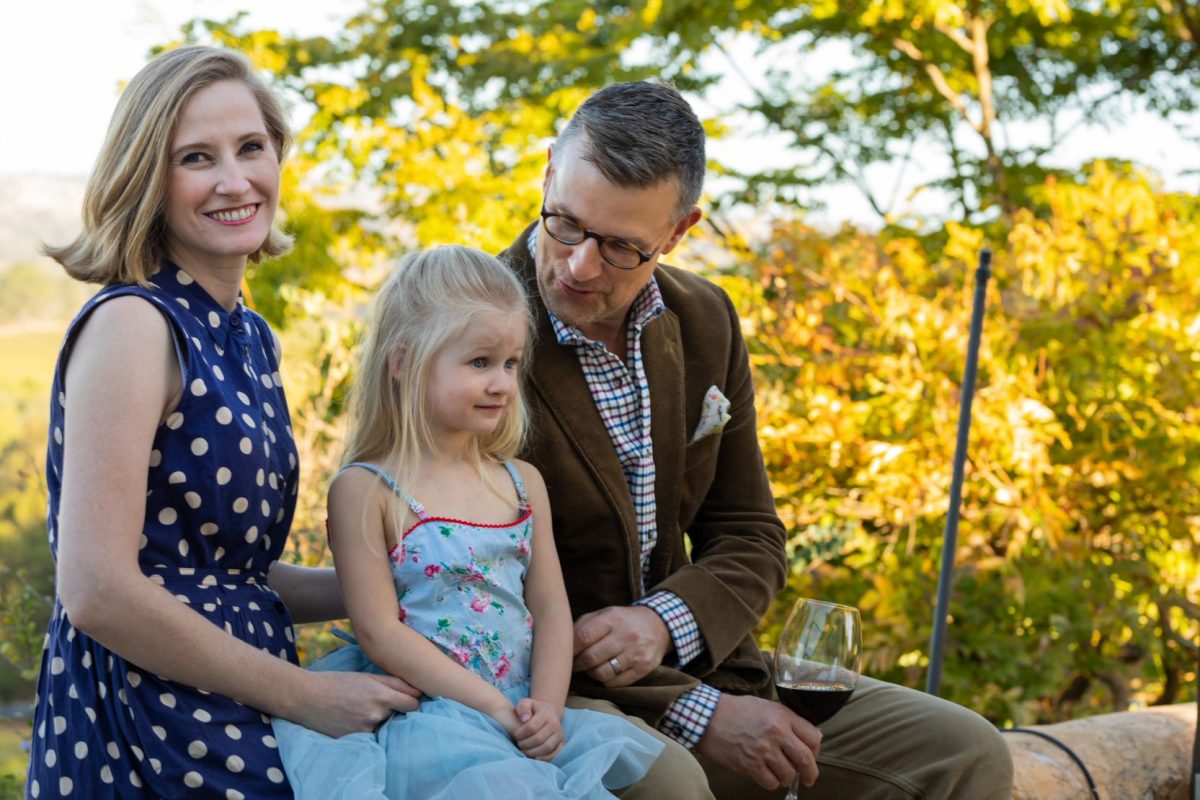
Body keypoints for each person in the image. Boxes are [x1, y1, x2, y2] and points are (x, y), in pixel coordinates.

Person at [498, 81, 1016, 799]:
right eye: (566, 224)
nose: (581, 265)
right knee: (674, 784)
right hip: (549, 695)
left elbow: (749, 534)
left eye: (621, 247)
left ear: (680, 231)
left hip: (713, 664)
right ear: (549, 171)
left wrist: (663, 623)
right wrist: (696, 713)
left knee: (964, 751)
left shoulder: (705, 317)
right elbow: (466, 594)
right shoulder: (471, 325)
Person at [27, 46, 420, 799]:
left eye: (251, 148)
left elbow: (229, 574)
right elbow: (98, 588)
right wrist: (305, 696)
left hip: (238, 693)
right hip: (143, 719)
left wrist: (382, 580)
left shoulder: (246, 334)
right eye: (196, 158)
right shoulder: (135, 323)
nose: (235, 181)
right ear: (149, 178)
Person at [271, 245, 663, 798]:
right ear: (405, 362)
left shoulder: (522, 482)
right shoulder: (367, 488)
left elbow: (551, 608)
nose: (502, 382)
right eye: (479, 362)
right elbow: (379, 631)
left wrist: (546, 711)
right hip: (433, 716)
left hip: (523, 705)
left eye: (510, 363)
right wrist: (495, 710)